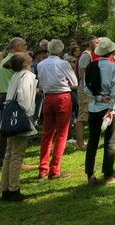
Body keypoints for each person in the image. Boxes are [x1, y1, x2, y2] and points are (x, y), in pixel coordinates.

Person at [36, 38, 77, 180]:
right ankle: (54, 169)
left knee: (47, 134)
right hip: (62, 97)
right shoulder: (64, 63)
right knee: (61, 133)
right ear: (60, 50)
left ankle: (42, 169)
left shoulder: (41, 64)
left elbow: (40, 83)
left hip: (48, 97)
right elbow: (75, 82)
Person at [84, 37, 115, 186]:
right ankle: (108, 175)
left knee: (93, 141)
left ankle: (90, 174)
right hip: (109, 108)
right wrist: (111, 108)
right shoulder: (114, 68)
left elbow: (86, 88)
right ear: (112, 51)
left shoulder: (91, 66)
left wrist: (98, 97)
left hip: (94, 107)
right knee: (110, 142)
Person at [0, 53, 38, 202]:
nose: (30, 56)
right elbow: (24, 98)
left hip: (10, 115)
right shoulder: (27, 75)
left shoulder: (16, 75)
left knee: (9, 153)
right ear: (24, 63)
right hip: (20, 116)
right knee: (16, 154)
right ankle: (13, 188)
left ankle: (5, 188)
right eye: (26, 56)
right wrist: (28, 115)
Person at [0, 37, 29, 166]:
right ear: (16, 48)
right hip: (11, 97)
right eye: (24, 46)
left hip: (3, 95)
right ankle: (13, 159)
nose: (25, 48)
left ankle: (3, 158)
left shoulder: (5, 59)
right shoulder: (15, 61)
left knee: (6, 128)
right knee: (14, 128)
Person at [74, 36, 98, 150]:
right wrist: (88, 89)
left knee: (88, 116)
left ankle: (85, 141)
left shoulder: (92, 55)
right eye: (96, 42)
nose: (98, 44)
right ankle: (80, 143)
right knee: (82, 117)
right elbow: (83, 75)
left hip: (89, 90)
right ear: (90, 42)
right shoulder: (85, 55)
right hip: (84, 90)